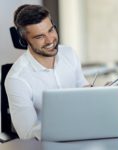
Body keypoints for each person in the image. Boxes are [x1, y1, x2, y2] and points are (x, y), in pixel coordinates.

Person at [5, 4, 89, 140]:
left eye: (51, 30)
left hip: (83, 132)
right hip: (49, 143)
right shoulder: (17, 79)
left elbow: (83, 89)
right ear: (24, 39)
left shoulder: (69, 54)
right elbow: (27, 134)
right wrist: (64, 125)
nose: (50, 40)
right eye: (39, 37)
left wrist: (99, 93)